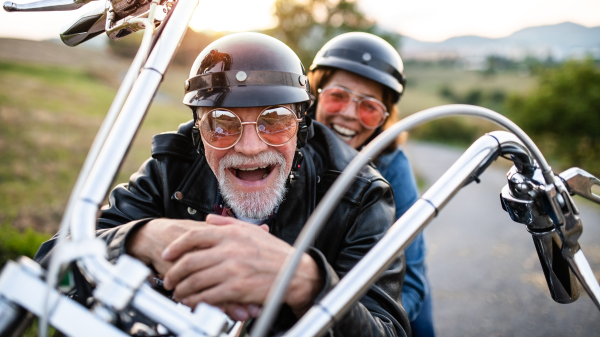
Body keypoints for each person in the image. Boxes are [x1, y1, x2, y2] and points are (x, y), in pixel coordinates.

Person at [35, 32, 410, 336]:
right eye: (222, 123)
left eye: (275, 119)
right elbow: (51, 266)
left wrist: (308, 281)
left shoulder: (361, 195)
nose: (249, 147)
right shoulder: (173, 165)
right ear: (199, 133)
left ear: (303, 125)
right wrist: (139, 238)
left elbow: (387, 329)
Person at [308, 32, 435, 337]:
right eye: (338, 96)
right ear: (315, 94)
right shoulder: (285, 144)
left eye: (368, 107)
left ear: (384, 118)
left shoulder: (393, 166)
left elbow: (411, 280)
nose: (349, 114)